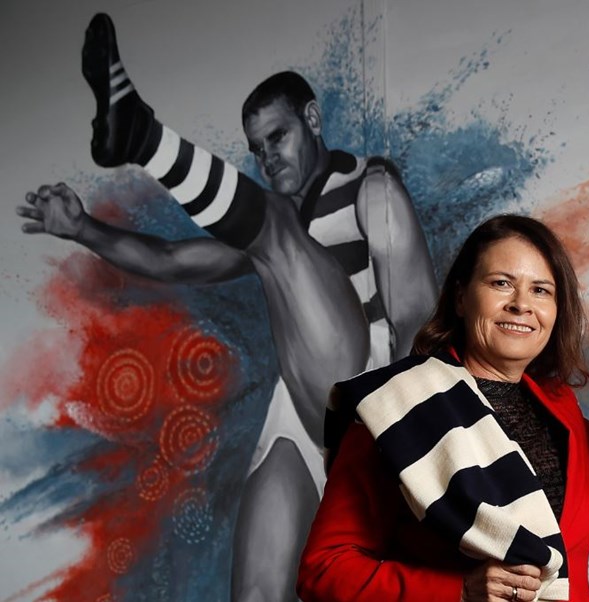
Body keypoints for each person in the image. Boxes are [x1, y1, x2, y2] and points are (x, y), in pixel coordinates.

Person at [74, 12, 438, 601]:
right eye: (256, 148)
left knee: (272, 222)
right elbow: (171, 261)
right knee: (255, 595)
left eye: (278, 137)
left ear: (313, 120)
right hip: (301, 409)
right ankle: (134, 131)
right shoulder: (270, 241)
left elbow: (417, 322)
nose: (267, 157)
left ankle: (141, 134)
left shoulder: (372, 188)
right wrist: (83, 229)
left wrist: (406, 457)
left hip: (375, 393)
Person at [297, 214, 589, 602]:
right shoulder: (399, 408)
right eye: (501, 283)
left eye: (541, 290)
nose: (521, 304)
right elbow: (322, 570)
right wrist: (458, 591)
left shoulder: (566, 417)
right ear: (461, 297)